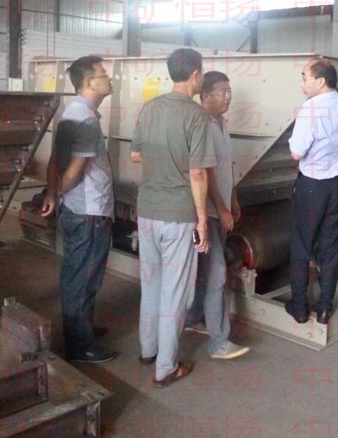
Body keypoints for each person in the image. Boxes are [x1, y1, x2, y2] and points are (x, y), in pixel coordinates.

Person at [130, 48, 216, 388]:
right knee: (175, 293)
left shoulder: (149, 108)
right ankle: (165, 368)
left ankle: (147, 349)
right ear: (195, 74)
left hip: (147, 210)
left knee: (150, 283)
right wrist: (202, 221)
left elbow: (136, 155)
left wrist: (163, 160)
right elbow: (198, 173)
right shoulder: (196, 115)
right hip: (178, 214)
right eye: (202, 73)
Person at [285, 54, 338, 325]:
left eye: (305, 78)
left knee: (302, 246)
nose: (302, 83)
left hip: (311, 187)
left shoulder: (310, 110)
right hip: (337, 186)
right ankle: (325, 308)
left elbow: (296, 153)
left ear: (320, 81)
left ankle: (300, 308)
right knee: (331, 247)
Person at [41, 55, 117, 364]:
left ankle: (82, 329)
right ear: (89, 83)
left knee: (80, 273)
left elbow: (54, 160)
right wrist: (60, 190)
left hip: (80, 209)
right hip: (88, 211)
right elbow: (73, 171)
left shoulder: (71, 113)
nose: (109, 79)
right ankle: (79, 345)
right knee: (82, 277)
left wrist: (52, 193)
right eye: (104, 74)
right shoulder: (85, 120)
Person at [183, 71, 250, 360]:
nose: (228, 97)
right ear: (205, 95)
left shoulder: (221, 124)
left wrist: (232, 199)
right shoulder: (201, 124)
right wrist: (221, 209)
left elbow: (225, 167)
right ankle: (219, 342)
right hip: (207, 215)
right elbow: (205, 173)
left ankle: (192, 318)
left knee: (204, 273)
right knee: (216, 274)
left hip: (220, 210)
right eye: (223, 92)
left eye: (230, 92)